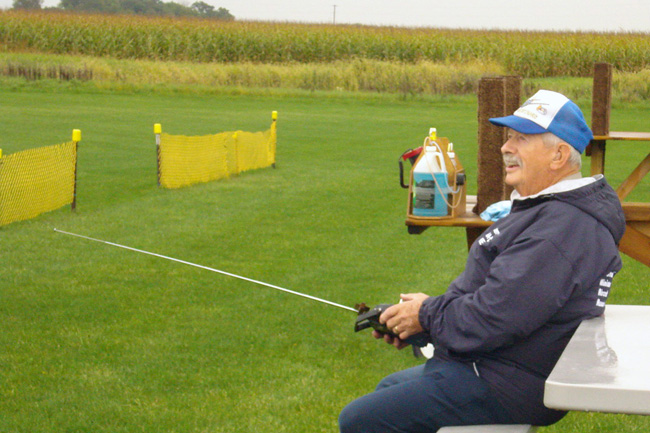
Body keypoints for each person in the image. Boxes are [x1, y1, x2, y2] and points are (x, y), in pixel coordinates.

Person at [339, 90, 626, 432]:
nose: (506, 148)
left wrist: (427, 315)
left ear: (559, 155)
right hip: (494, 362)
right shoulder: (547, 211)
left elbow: (496, 315)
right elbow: (499, 303)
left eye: (521, 139)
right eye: (508, 137)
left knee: (361, 421)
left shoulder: (560, 228)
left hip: (507, 379)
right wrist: (419, 324)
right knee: (387, 390)